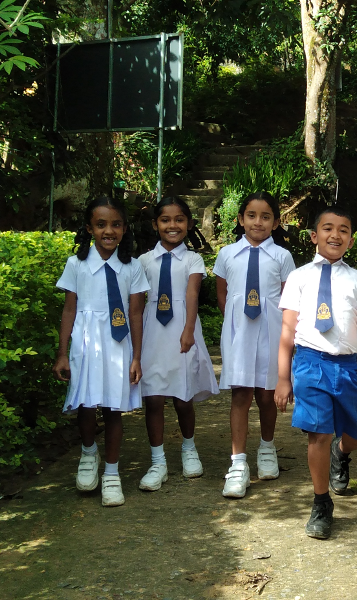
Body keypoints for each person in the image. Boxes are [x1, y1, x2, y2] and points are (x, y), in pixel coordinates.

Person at [275, 206, 357, 539]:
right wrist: (283, 378)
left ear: (351, 240)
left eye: (343, 230)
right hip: (310, 363)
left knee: (356, 434)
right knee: (319, 434)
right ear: (314, 236)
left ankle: (341, 454)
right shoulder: (299, 277)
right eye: (327, 228)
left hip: (345, 366)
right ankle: (321, 502)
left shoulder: (356, 279)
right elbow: (287, 331)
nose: (335, 235)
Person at [53, 195, 150, 507]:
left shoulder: (132, 267)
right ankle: (88, 452)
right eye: (101, 224)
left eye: (116, 224)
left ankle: (111, 473)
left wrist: (136, 357)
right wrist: (62, 353)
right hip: (86, 342)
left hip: (118, 345)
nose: (109, 231)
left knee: (112, 408)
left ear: (125, 229)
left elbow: (135, 313)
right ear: (89, 228)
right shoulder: (76, 264)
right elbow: (69, 310)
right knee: (85, 403)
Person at [214, 192, 297, 498]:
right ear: (241, 219)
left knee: (266, 394)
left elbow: (290, 299)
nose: (258, 222)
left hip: (271, 332)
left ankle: (266, 446)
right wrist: (234, 322)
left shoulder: (282, 257)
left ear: (275, 222)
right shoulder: (227, 255)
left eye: (265, 217)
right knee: (240, 394)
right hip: (239, 333)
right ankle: (238, 462)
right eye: (251, 215)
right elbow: (222, 294)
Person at [135, 196, 219, 492]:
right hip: (152, 332)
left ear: (189, 224)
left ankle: (189, 448)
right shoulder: (144, 261)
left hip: (183, 329)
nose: (173, 225)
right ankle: (157, 461)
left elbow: (192, 294)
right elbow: (137, 303)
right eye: (165, 220)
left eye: (179, 220)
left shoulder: (193, 259)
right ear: (155, 224)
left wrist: (188, 330)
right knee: (154, 398)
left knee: (183, 396)